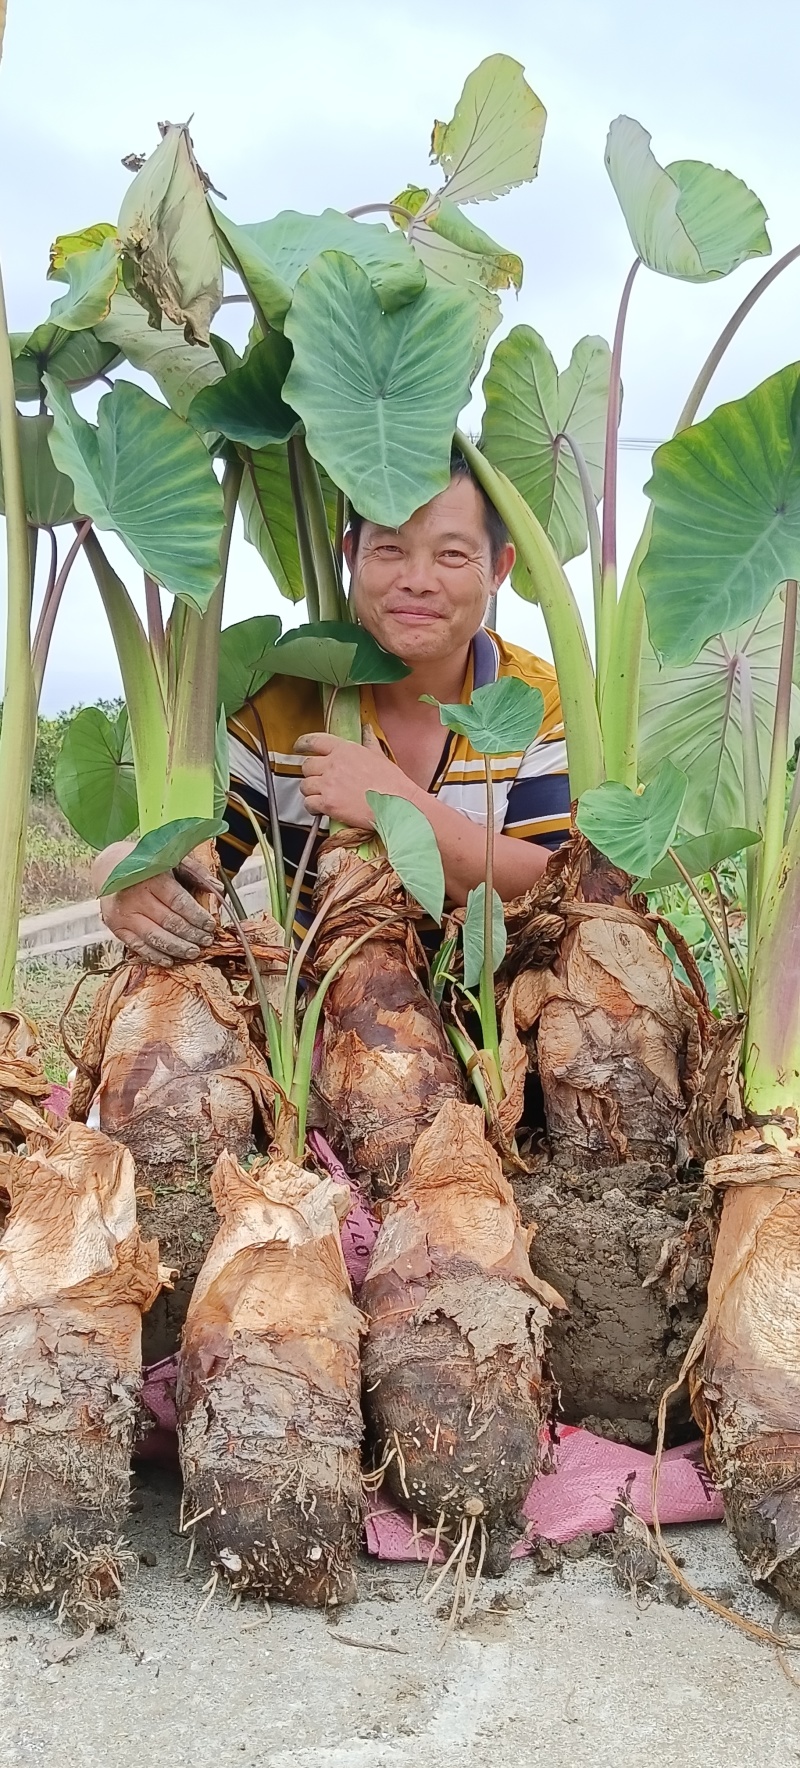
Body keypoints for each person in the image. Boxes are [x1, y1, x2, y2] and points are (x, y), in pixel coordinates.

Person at [92, 450, 571, 961]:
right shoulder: (273, 709)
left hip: (505, 1018)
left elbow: (558, 885)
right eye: (388, 548)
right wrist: (118, 875)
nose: (417, 578)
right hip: (323, 1021)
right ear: (350, 556)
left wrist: (393, 804)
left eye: (452, 555)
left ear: (498, 567)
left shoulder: (537, 703)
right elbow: (190, 866)